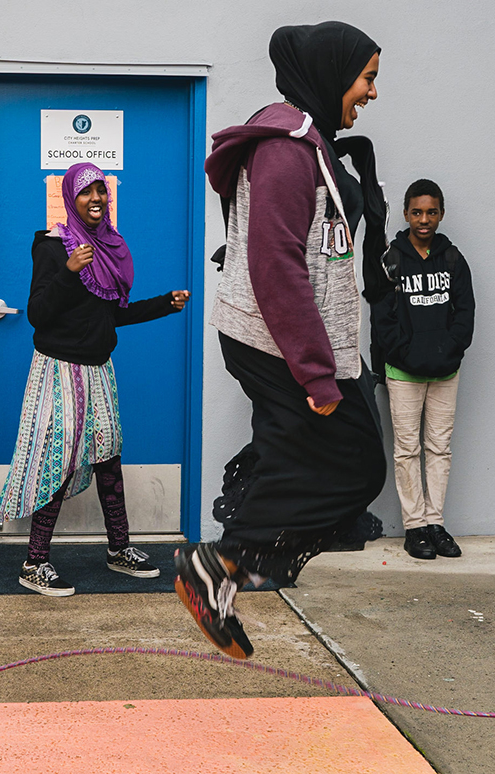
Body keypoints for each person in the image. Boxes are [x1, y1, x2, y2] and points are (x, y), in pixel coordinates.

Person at [176, 22, 388, 658]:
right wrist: (317, 373)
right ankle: (225, 557)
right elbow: (274, 259)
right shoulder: (287, 147)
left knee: (318, 455)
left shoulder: (311, 140)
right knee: (355, 459)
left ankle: (230, 559)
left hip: (293, 338)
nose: (372, 93)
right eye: (368, 77)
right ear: (331, 72)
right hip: (278, 340)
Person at [0, 162, 191, 596]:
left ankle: (119, 550)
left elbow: (112, 314)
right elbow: (38, 314)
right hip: (59, 369)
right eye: (86, 192)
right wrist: (67, 270)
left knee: (108, 460)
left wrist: (164, 304)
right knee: (57, 462)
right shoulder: (52, 245)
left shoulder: (110, 246)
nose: (96, 199)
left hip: (100, 370)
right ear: (71, 198)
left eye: (102, 191)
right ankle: (35, 562)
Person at [370, 179, 473, 560]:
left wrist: (448, 350)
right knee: (406, 450)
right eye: (417, 212)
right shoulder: (391, 259)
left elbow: (465, 313)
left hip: (445, 372)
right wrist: (408, 353)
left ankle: (435, 523)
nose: (424, 219)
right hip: (403, 373)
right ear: (405, 213)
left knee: (439, 449)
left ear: (441, 214)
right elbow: (382, 319)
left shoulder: (453, 260)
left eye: (431, 212)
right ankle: (415, 528)